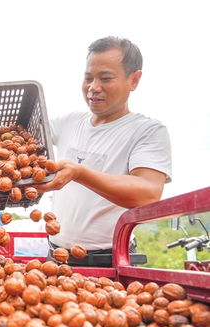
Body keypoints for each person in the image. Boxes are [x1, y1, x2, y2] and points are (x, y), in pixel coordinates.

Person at [34, 36, 172, 266]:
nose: (93, 88)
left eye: (105, 78)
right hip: (56, 258)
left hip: (110, 260)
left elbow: (147, 194)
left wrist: (79, 173)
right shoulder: (70, 122)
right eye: (88, 78)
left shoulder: (147, 131)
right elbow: (24, 136)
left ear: (134, 80)